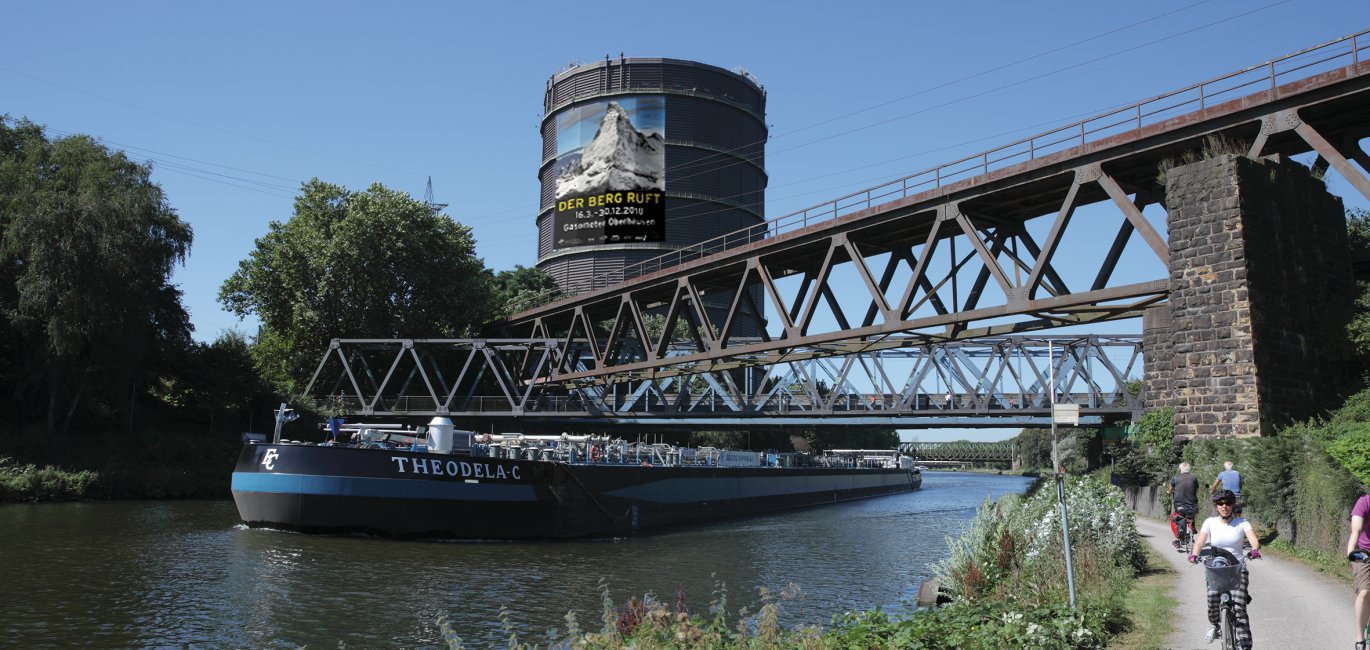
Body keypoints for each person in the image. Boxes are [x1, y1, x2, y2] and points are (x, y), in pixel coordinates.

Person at [1188, 489, 1262, 648]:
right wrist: (1194, 554)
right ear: (1216, 506)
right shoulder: (1210, 522)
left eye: (1228, 503)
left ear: (1233, 505)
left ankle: (1244, 645)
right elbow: (1200, 542)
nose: (1224, 506)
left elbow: (1254, 540)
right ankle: (1215, 625)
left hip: (1237, 568)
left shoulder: (1242, 523)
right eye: (1220, 503)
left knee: (1239, 607)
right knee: (1212, 597)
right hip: (1217, 567)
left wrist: (1254, 550)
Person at [1347, 492, 1370, 650]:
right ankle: (1360, 638)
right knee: (1365, 592)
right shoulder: (1364, 502)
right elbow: (1355, 531)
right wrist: (1352, 554)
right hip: (1364, 552)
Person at [1168, 462, 1201, 550]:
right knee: (1192, 513)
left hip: (1179, 506)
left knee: (1174, 518)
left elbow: (1171, 490)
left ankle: (1178, 539)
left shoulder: (1175, 478)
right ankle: (1192, 527)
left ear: (1180, 469)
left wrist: (1169, 492)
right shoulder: (1194, 478)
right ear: (1189, 469)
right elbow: (1196, 489)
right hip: (1192, 505)